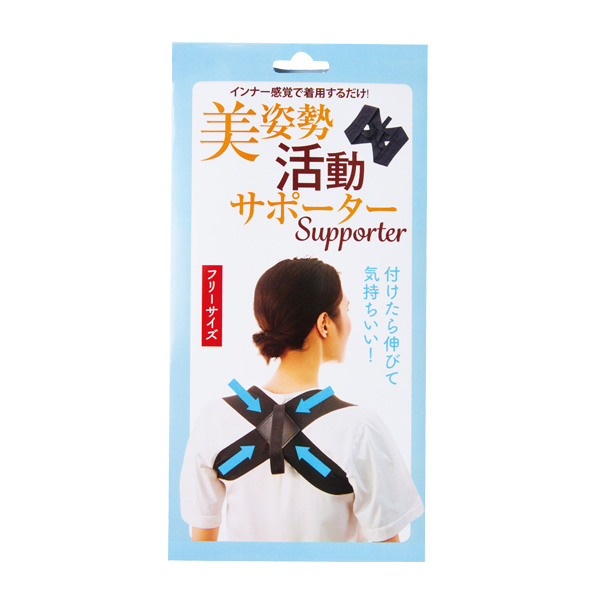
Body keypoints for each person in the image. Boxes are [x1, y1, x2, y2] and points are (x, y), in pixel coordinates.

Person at [180, 258, 423, 542]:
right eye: (346, 310)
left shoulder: (214, 418)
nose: (349, 322)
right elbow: (388, 556)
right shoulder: (361, 428)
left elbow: (201, 549)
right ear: (324, 323)